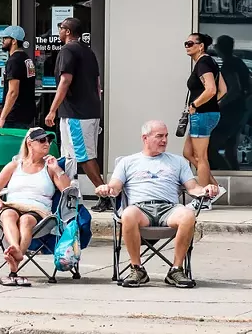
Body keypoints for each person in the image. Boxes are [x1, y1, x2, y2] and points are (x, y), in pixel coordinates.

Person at [95, 120, 219, 288]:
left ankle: (176, 270)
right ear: (145, 138)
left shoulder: (177, 162)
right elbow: (115, 188)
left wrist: (206, 189)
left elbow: (193, 188)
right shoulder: (128, 162)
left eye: (166, 136)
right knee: (128, 214)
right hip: (140, 209)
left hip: (169, 209)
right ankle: (137, 269)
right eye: (159, 136)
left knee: (188, 215)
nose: (165, 140)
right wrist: (105, 188)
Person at [0, 127, 71, 287]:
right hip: (12, 205)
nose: (47, 143)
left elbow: (68, 191)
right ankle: (16, 250)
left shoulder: (49, 167)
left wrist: (57, 168)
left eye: (49, 140)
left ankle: (15, 256)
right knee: (8, 215)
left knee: (25, 220)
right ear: (30, 143)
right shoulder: (14, 165)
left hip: (38, 210)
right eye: (42, 140)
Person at [44, 17, 109, 212]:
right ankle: (70, 196)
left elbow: (65, 81)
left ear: (68, 32)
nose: (59, 31)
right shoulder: (88, 52)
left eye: (61, 28)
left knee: (83, 156)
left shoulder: (67, 50)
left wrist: (52, 109)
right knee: (71, 156)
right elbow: (97, 85)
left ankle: (104, 194)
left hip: (76, 114)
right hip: (88, 111)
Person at [183, 33, 227, 208]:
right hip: (206, 114)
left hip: (201, 115)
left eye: (190, 43)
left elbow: (211, 89)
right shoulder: (211, 62)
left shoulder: (203, 63)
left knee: (201, 158)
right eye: (185, 43)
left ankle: (203, 198)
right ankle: (215, 187)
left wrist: (195, 105)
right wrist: (208, 106)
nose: (186, 46)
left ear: (201, 46)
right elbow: (223, 90)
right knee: (188, 153)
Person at [209, 35, 251, 171]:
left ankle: (226, 177)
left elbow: (234, 89)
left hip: (230, 113)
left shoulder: (228, 65)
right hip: (240, 112)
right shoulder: (239, 63)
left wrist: (219, 104)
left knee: (210, 149)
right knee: (230, 151)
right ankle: (237, 182)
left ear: (219, 48)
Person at [0, 25, 37, 129]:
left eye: (5, 38)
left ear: (14, 41)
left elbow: (13, 92)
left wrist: (2, 118)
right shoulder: (27, 59)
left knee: (10, 145)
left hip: (15, 116)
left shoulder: (14, 61)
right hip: (27, 114)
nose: (2, 40)